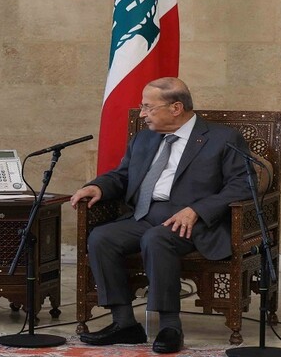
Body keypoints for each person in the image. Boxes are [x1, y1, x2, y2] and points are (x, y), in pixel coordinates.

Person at [70, 77, 251, 354]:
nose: (142, 114)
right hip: (144, 215)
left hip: (192, 222)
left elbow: (242, 185)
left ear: (176, 108)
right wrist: (98, 187)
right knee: (102, 237)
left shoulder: (222, 138)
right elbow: (122, 176)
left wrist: (198, 210)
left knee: (157, 239)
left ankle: (170, 327)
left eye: (148, 107)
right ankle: (123, 322)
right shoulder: (144, 139)